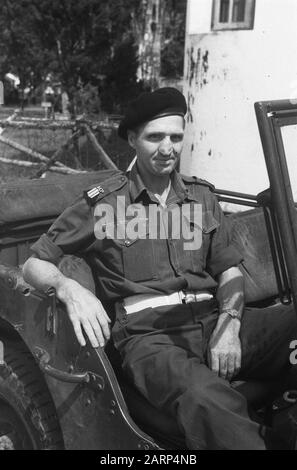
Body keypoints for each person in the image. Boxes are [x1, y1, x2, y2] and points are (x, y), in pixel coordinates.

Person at [23, 87, 297, 450]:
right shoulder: (105, 204)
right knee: (205, 397)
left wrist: (228, 328)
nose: (167, 149)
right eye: (155, 137)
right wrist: (68, 288)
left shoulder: (201, 198)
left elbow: (229, 272)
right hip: (148, 339)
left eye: (175, 137)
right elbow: (33, 263)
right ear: (133, 139)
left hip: (215, 320)